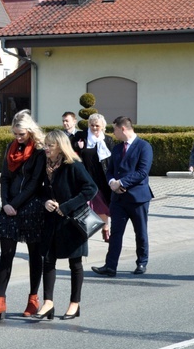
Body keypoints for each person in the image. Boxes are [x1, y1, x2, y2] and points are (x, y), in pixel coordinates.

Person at [0, 111, 46, 319]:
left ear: (30, 131)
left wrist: (16, 204)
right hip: (10, 207)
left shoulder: (39, 151)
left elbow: (34, 183)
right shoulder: (10, 149)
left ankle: (33, 299)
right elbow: (5, 178)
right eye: (15, 134)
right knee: (6, 255)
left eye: (21, 134)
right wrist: (6, 203)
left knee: (34, 255)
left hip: (31, 207)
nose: (18, 138)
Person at [33, 130, 97, 320]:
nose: (46, 148)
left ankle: (74, 304)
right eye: (45, 144)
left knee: (75, 263)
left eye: (50, 145)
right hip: (52, 220)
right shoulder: (45, 164)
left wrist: (67, 206)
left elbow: (91, 188)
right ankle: (48, 303)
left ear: (60, 147)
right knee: (48, 260)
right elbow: (40, 190)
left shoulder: (74, 164)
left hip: (72, 221)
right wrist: (45, 201)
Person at [92, 116, 153, 277]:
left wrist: (121, 183)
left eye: (115, 129)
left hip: (137, 198)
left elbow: (142, 172)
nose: (113, 133)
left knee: (140, 232)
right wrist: (112, 181)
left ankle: (141, 262)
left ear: (123, 129)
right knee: (116, 233)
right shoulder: (118, 148)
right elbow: (110, 169)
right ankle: (110, 266)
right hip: (118, 199)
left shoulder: (144, 147)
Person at [74, 113, 114, 242]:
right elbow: (70, 149)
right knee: (85, 206)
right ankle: (84, 231)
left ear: (103, 126)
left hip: (101, 177)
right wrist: (78, 147)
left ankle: (106, 228)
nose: (94, 127)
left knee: (102, 206)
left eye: (97, 125)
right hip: (85, 176)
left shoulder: (107, 139)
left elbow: (112, 159)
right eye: (92, 125)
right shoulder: (81, 136)